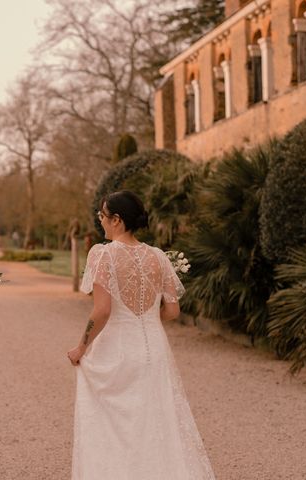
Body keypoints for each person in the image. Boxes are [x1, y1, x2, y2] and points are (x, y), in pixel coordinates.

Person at [67, 191, 215, 480]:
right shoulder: (158, 257)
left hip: (117, 349)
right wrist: (145, 321)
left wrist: (81, 348)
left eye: (102, 216)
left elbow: (102, 311)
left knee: (113, 426)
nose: (101, 222)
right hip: (154, 349)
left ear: (117, 220)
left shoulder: (103, 254)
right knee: (155, 422)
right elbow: (172, 311)